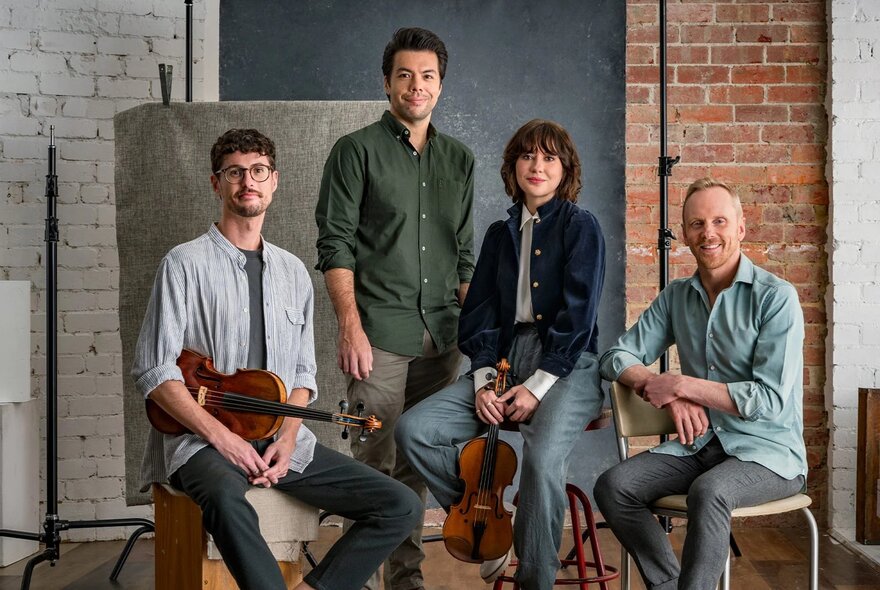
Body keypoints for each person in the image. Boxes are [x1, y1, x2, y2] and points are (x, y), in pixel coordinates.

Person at [132, 128, 421, 590]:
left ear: (274, 181)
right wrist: (225, 441)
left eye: (258, 171)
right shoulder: (183, 264)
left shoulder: (294, 273)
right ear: (217, 183)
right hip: (202, 443)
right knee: (227, 498)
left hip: (281, 441)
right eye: (235, 172)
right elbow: (155, 371)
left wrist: (287, 439)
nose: (248, 180)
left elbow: (303, 375)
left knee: (402, 505)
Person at [396, 119, 607, 589]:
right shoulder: (500, 233)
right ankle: (492, 520)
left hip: (568, 365)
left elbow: (579, 320)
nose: (537, 166)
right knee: (414, 430)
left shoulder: (581, 227)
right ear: (513, 166)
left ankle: (535, 582)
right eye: (528, 155)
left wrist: (536, 388)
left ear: (565, 168)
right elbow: (480, 315)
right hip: (505, 360)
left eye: (550, 157)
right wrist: (483, 378)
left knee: (541, 462)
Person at [315, 27, 475, 590]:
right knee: (372, 467)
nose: (416, 86)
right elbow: (335, 244)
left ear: (441, 86)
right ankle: (348, 582)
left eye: (427, 76)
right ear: (387, 82)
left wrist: (477, 334)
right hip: (379, 332)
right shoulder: (355, 151)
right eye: (404, 74)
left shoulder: (460, 160)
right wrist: (349, 328)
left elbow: (464, 258)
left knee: (417, 462)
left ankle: (405, 584)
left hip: (444, 339)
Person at [594, 178, 808, 590]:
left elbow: (768, 400)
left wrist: (682, 386)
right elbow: (615, 357)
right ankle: (670, 584)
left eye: (719, 221)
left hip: (771, 455)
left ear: (741, 227)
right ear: (685, 234)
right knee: (614, 486)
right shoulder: (677, 297)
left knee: (709, 492)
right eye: (696, 224)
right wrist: (656, 383)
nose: (708, 233)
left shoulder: (776, 298)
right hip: (702, 444)